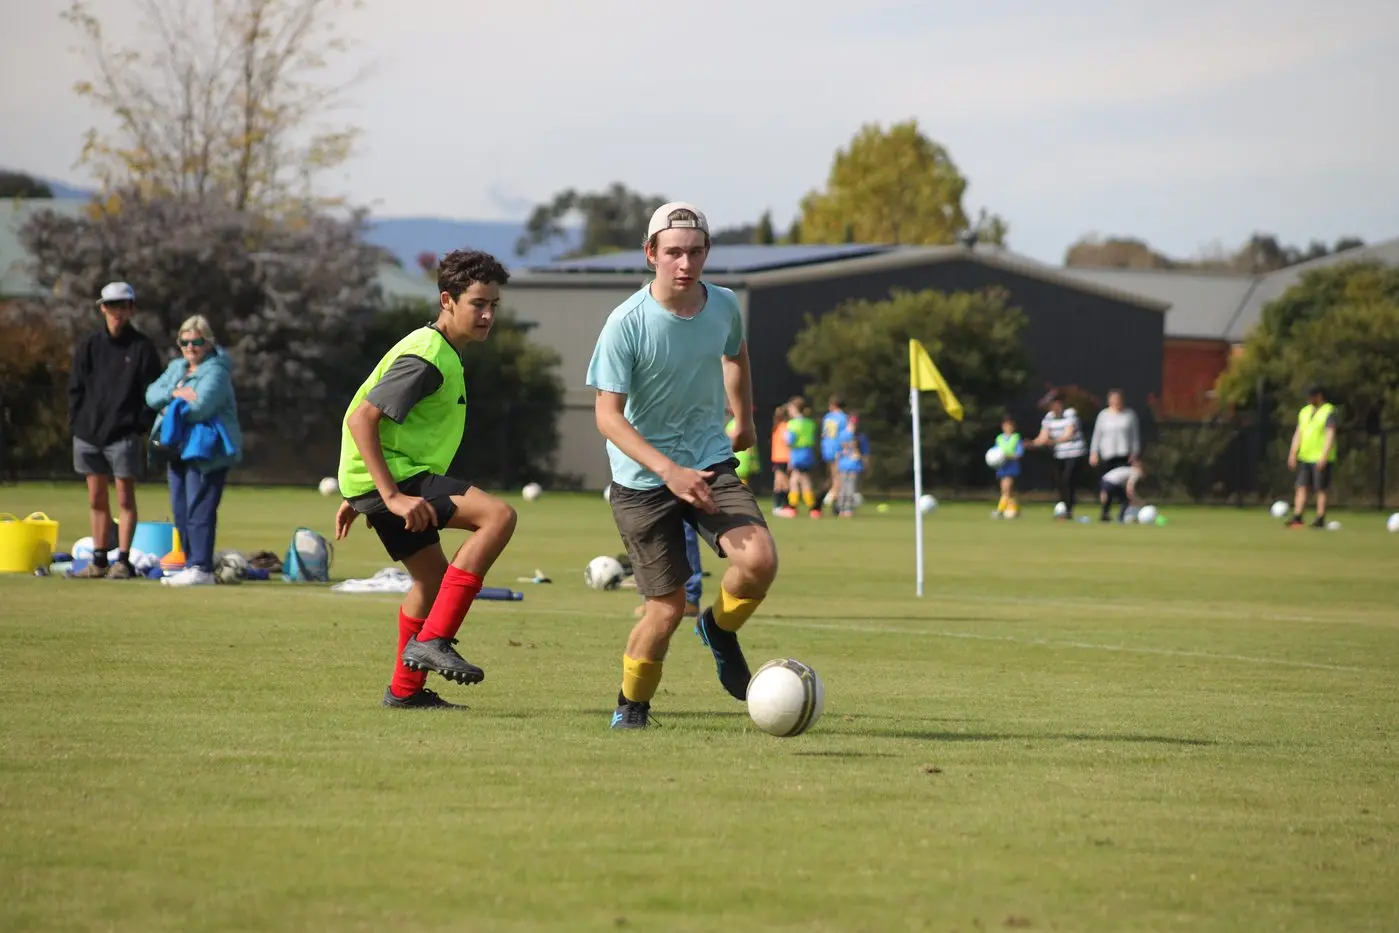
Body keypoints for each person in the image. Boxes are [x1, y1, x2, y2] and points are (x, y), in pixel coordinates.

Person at [586, 201, 779, 730]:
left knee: (759, 561)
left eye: (695, 252)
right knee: (666, 609)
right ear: (651, 254)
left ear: (706, 253)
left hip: (710, 460)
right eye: (672, 252)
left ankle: (719, 629)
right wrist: (669, 470)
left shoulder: (723, 304)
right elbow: (607, 416)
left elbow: (735, 354)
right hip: (643, 482)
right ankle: (632, 707)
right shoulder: (625, 323)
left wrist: (744, 420)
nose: (684, 263)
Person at [334, 249, 519, 710]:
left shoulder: (439, 350)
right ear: (447, 300)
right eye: (478, 303)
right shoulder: (429, 357)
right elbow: (363, 421)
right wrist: (389, 495)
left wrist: (366, 493)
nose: (488, 314)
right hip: (396, 481)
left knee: (431, 581)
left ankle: (404, 692)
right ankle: (435, 639)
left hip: (382, 481)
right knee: (498, 517)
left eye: (494, 304)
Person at [68, 281, 163, 579]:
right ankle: (98, 560)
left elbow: (152, 393)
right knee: (96, 499)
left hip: (123, 436)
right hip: (88, 435)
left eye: (123, 306)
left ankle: (123, 560)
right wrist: (78, 423)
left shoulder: (142, 348)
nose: (117, 312)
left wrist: (139, 427)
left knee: (124, 499)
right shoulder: (90, 346)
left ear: (132, 308)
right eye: (111, 306)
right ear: (102, 309)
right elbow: (76, 388)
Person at [144, 315, 243, 585]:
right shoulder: (177, 367)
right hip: (176, 449)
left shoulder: (217, 371)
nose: (190, 347)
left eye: (196, 341)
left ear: (208, 342)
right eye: (184, 342)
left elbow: (200, 407)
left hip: (206, 451)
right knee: (180, 509)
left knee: (200, 508)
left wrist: (172, 399)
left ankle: (201, 567)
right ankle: (192, 563)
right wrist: (175, 395)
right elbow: (151, 395)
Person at [1286, 385, 1338, 529]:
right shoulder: (1304, 412)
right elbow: (1299, 432)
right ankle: (1297, 516)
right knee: (1301, 486)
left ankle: (1320, 518)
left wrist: (1324, 456)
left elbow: (1330, 434)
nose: (1309, 399)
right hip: (1305, 455)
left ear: (1319, 395)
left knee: (1320, 488)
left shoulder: (1329, 411)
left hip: (1320, 457)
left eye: (1311, 396)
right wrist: (1292, 452)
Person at [1030, 389, 1087, 520]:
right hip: (1059, 454)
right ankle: (1066, 508)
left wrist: (1052, 441)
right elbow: (1042, 437)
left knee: (1068, 479)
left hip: (1075, 452)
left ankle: (1069, 508)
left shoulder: (1070, 414)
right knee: (1060, 481)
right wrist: (1031, 443)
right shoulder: (1049, 417)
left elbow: (1069, 434)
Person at [1089, 389, 1141, 490]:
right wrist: (1094, 453)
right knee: (1106, 482)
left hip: (1124, 454)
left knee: (1124, 483)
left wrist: (1135, 453)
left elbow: (1135, 436)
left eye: (1118, 399)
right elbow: (1097, 435)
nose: (1116, 402)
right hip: (1107, 455)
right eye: (1114, 399)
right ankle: (1106, 504)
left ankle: (1125, 504)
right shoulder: (1103, 415)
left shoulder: (1130, 415)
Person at [785, 399, 820, 517]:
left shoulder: (792, 424)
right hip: (808, 452)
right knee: (799, 478)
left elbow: (790, 441)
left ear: (794, 409)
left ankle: (808, 507)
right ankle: (808, 507)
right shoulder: (810, 423)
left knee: (800, 480)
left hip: (797, 452)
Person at [834, 413, 870, 518]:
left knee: (851, 487)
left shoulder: (860, 436)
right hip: (844, 464)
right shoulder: (842, 434)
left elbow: (865, 452)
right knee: (843, 488)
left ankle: (848, 508)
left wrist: (865, 463)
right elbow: (837, 451)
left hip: (854, 465)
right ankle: (841, 508)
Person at [819, 394, 849, 508]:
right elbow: (845, 436)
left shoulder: (827, 417)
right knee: (838, 476)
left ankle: (831, 498)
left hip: (827, 447)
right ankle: (834, 500)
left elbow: (824, 434)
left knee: (833, 474)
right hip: (838, 448)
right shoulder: (843, 418)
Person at [993, 415, 1024, 518]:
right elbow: (994, 452)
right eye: (1006, 425)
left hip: (1011, 466)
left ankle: (1000, 510)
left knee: (1006, 488)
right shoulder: (999, 438)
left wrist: (1008, 456)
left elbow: (1019, 453)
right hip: (1001, 466)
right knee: (1007, 490)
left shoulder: (1016, 438)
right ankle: (1015, 509)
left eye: (1010, 425)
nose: (1008, 427)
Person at [769, 404, 792, 517]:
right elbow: (788, 442)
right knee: (783, 482)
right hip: (784, 458)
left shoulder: (776, 427)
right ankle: (785, 505)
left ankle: (779, 505)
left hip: (777, 458)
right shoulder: (785, 427)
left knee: (779, 482)